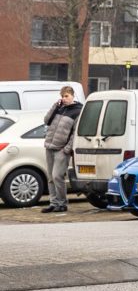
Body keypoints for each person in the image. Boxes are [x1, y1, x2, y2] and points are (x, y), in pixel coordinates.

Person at [40, 85, 83, 215]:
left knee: (57, 176)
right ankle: (53, 203)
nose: (64, 99)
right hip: (50, 146)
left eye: (66, 96)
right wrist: (55, 106)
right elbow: (46, 120)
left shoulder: (78, 110)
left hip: (62, 149)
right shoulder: (59, 108)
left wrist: (67, 148)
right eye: (62, 96)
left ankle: (62, 203)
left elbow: (75, 132)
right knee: (50, 177)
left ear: (72, 96)